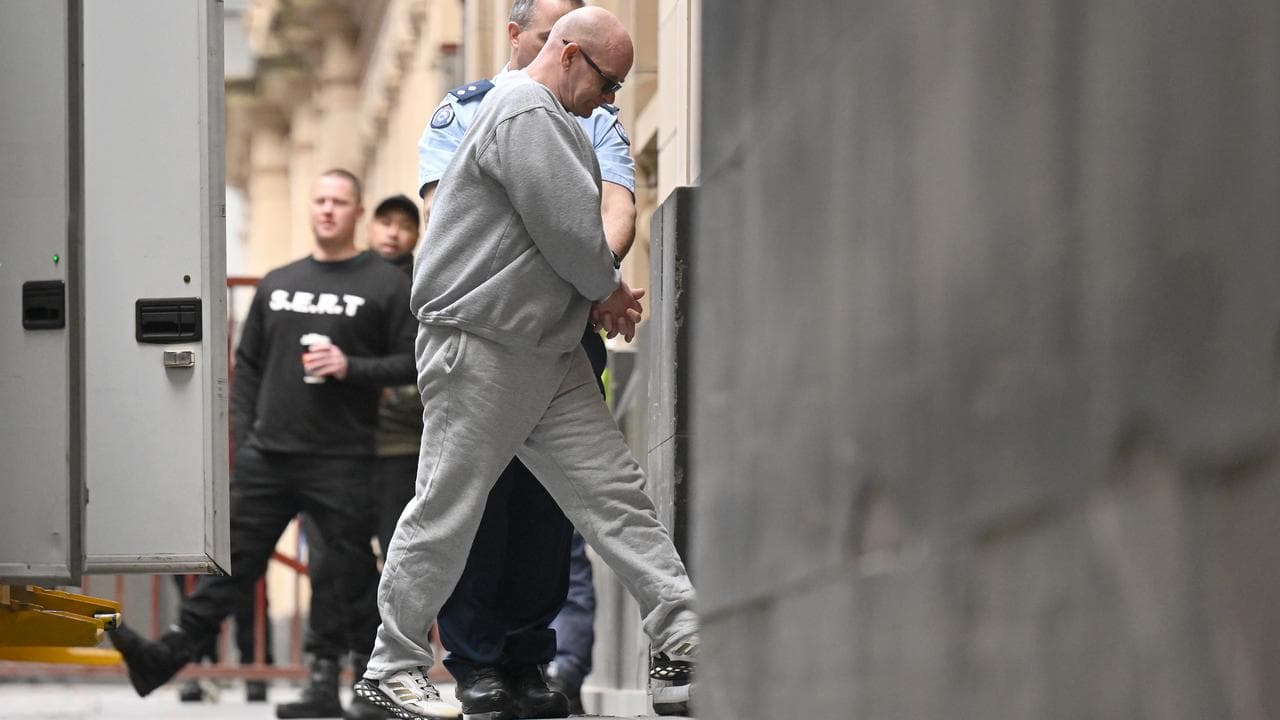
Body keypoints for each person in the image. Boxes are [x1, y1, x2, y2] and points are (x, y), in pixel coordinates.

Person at [353, 8, 697, 720]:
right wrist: (606, 294)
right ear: (570, 54)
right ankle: (390, 669)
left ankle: (684, 638)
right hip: (478, 343)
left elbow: (571, 240)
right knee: (447, 508)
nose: (610, 101)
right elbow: (572, 236)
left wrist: (597, 296)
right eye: (608, 83)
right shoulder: (523, 111)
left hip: (543, 345)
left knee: (615, 496)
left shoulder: (551, 118)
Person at [108, 170, 418, 717]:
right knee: (229, 565)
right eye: (319, 200)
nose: (327, 210)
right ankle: (165, 656)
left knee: (346, 576)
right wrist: (247, 435)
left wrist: (352, 366)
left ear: (357, 212)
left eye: (339, 202)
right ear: (310, 208)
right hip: (269, 455)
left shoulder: (385, 285)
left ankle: (368, 683)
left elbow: (413, 362)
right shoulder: (278, 282)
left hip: (343, 456)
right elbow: (247, 366)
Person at [414, 1, 634, 717]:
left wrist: (589, 279)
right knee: (478, 499)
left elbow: (615, 210)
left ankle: (528, 659)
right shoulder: (471, 107)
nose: (606, 91)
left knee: (548, 509)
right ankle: (476, 664)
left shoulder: (598, 115)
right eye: (547, 36)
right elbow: (448, 213)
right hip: (489, 335)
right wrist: (586, 276)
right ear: (528, 39)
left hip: (565, 332)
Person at [285, 193, 424, 720]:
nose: (392, 234)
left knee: (399, 563)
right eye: (384, 223)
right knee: (329, 562)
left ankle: (381, 675)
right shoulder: (337, 285)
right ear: (369, 226)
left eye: (404, 226)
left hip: (397, 446)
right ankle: (323, 673)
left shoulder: (420, 287)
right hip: (336, 447)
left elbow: (423, 362)